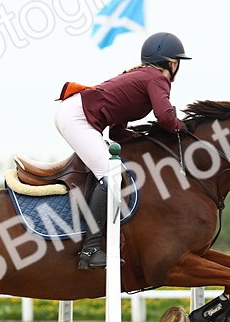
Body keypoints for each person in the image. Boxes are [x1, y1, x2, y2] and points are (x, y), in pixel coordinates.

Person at [54, 31, 190, 269]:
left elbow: (117, 132)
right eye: (177, 63)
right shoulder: (158, 78)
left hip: (75, 114)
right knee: (112, 176)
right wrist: (183, 127)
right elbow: (166, 118)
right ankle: (91, 249)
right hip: (77, 117)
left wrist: (140, 137)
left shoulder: (140, 75)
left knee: (110, 172)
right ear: (171, 63)